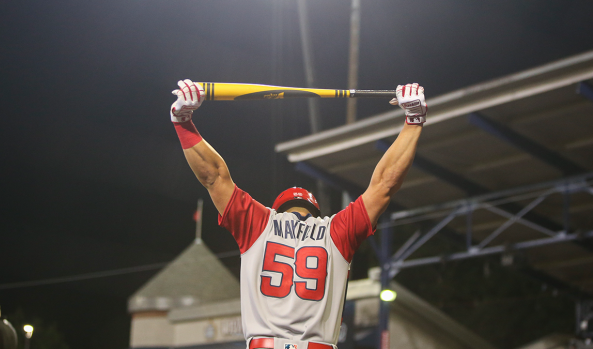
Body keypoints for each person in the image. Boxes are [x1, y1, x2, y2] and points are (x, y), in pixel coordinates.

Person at [171, 79, 427, 349]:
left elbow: (213, 177)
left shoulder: (261, 223)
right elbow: (385, 184)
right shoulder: (335, 232)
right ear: (316, 212)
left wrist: (182, 120)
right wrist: (413, 121)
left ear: (277, 208)